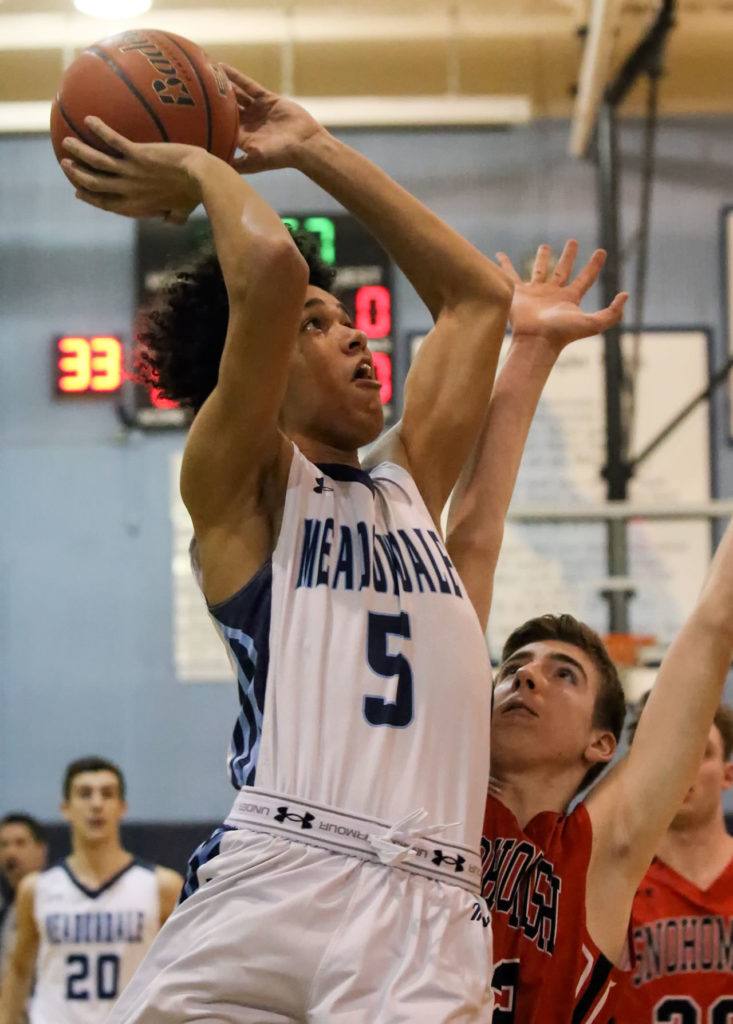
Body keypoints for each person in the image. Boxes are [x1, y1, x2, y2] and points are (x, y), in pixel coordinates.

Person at [56, 65, 513, 1021]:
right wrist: (195, 161)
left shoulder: (404, 484)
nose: (357, 341)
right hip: (276, 870)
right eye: (319, 325)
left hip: (424, 899)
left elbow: (476, 300)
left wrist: (312, 147)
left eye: (352, 323)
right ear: (256, 363)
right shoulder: (242, 482)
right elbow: (267, 268)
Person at [445, 241, 733, 1023]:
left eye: (561, 674)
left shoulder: (599, 852)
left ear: (602, 746)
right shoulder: (425, 790)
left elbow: (712, 626)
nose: (525, 677)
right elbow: (468, 541)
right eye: (514, 665)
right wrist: (528, 349)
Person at [0, 757, 182, 1024]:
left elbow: (184, 975)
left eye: (107, 794)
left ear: (122, 807)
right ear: (66, 808)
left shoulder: (162, 886)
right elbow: (18, 973)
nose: (96, 804)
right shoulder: (36, 889)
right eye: (85, 794)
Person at [613, 700, 733, 1023]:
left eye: (700, 752)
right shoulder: (607, 888)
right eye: (667, 752)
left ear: (728, 774)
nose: (681, 767)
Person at [0, 815, 47, 1021]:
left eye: (20, 843)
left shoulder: (55, 905)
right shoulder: (5, 908)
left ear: (41, 850)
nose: (11, 852)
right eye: (4, 845)